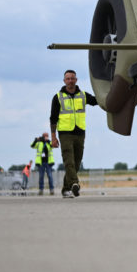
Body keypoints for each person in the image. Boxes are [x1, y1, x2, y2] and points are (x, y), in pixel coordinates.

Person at [50, 69, 98, 198]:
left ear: (76, 80)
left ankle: (66, 189)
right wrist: (53, 137)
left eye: (72, 78)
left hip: (80, 133)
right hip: (65, 133)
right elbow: (53, 119)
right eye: (68, 79)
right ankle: (74, 184)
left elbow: (97, 101)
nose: (70, 81)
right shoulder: (58, 97)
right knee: (69, 161)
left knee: (77, 162)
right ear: (64, 81)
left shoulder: (83, 95)